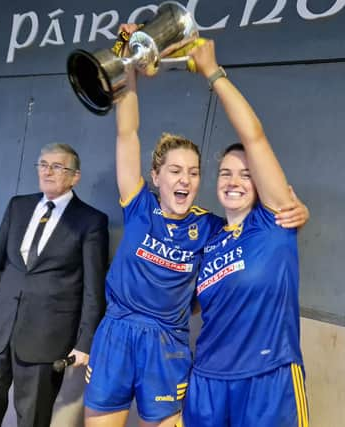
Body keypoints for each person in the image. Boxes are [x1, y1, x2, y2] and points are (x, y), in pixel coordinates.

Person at [83, 25, 309, 427]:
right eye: (174, 171)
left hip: (172, 346)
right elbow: (127, 133)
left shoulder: (213, 228)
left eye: (193, 172)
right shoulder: (139, 206)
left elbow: (257, 154)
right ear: (156, 176)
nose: (185, 179)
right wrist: (129, 67)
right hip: (120, 334)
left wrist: (295, 210)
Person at [181, 41, 310, 426]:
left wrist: (213, 73)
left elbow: (254, 137)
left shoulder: (273, 221)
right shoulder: (209, 236)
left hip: (267, 380)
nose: (234, 181)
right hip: (207, 381)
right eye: (225, 173)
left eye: (246, 174)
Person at [0, 143, 109, 427]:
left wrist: (85, 341)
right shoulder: (18, 206)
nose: (48, 171)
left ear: (75, 176)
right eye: (43, 165)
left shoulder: (90, 221)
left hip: (47, 337)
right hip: (0, 327)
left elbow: (94, 288)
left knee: (32, 415)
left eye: (58, 166)